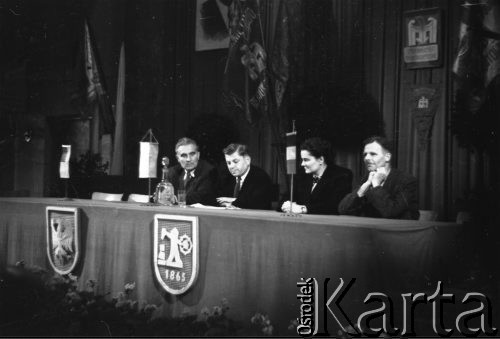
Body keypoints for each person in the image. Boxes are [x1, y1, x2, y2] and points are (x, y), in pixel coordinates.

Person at [338, 136, 419, 220]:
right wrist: (364, 187)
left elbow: (391, 212)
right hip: (370, 230)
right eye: (365, 154)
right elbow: (343, 210)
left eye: (373, 154)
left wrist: (376, 186)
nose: (366, 158)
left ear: (387, 157)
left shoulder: (406, 180)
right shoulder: (366, 179)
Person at [280, 137, 352, 215]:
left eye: (306, 160)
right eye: (302, 160)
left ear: (320, 159)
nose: (302, 164)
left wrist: (303, 209)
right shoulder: (301, 174)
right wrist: (286, 205)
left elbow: (335, 207)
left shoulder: (342, 175)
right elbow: (283, 200)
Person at [217, 143, 273, 210]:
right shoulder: (226, 177)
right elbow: (217, 199)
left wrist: (232, 201)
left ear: (247, 160)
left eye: (235, 161)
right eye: (228, 163)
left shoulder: (261, 177)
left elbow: (255, 204)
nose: (231, 166)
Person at [167, 137, 218, 206]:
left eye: (192, 154)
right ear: (178, 158)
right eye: (184, 155)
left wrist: (175, 198)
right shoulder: (172, 172)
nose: (188, 159)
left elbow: (200, 196)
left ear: (198, 155)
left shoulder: (209, 171)